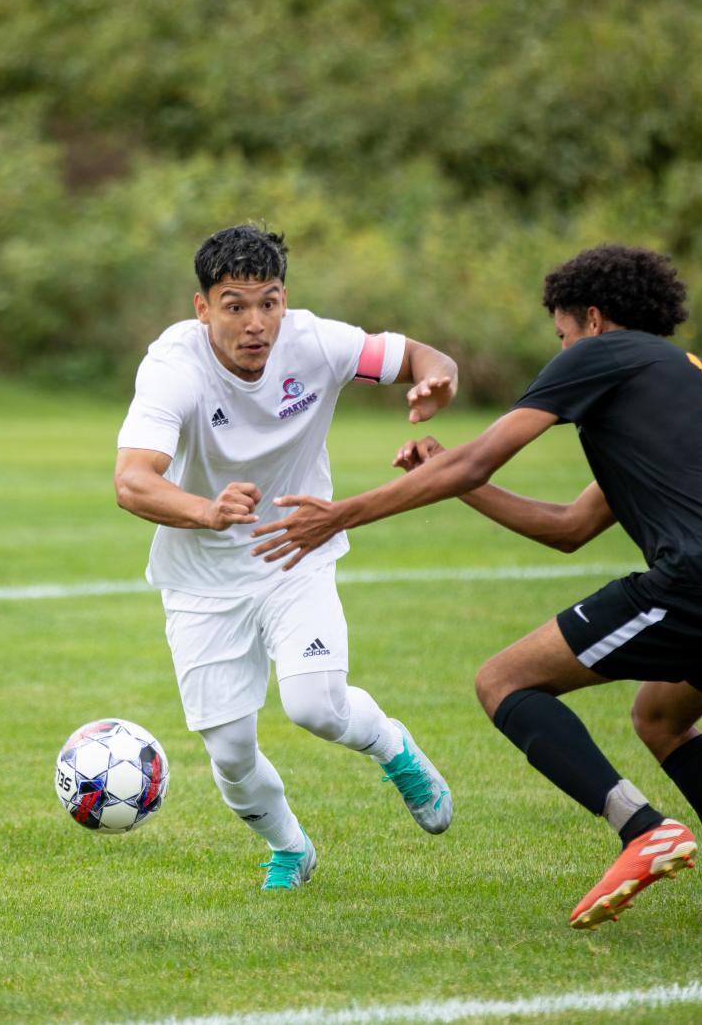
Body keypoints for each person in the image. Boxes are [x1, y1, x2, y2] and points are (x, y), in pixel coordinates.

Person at [250, 244, 702, 930]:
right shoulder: (689, 381)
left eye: (562, 335)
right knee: (661, 718)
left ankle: (641, 828)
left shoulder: (601, 355)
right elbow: (570, 525)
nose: (563, 350)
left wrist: (344, 512)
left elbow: (479, 455)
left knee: (504, 682)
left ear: (594, 321)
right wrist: (460, 480)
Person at [115, 224, 459, 890]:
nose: (255, 324)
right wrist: (208, 511)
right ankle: (289, 849)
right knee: (230, 754)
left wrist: (435, 380)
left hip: (295, 550)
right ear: (201, 307)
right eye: (234, 305)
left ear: (285, 301)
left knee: (315, 706)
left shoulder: (317, 343)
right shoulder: (173, 365)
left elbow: (421, 355)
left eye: (268, 302)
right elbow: (133, 481)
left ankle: (394, 748)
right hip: (201, 575)